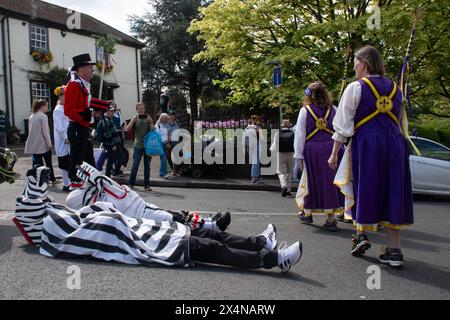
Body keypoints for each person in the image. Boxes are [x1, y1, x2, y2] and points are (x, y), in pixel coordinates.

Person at [13, 165, 303, 273]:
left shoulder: (77, 218)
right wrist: (37, 181)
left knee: (211, 238)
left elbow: (38, 205)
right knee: (216, 250)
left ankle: (260, 243)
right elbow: (28, 211)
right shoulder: (59, 232)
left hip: (153, 230)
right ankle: (274, 260)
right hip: (156, 247)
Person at [328, 45, 414, 268]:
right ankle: (394, 251)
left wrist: (334, 153)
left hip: (367, 144)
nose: (355, 67)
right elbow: (401, 120)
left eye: (356, 62)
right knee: (394, 190)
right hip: (395, 144)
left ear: (364, 64)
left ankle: (361, 235)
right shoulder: (397, 89)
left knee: (363, 187)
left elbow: (343, 126)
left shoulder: (356, 88)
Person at [294, 83, 344, 232]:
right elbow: (340, 130)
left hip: (313, 150)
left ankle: (307, 212)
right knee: (332, 183)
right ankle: (330, 219)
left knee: (311, 182)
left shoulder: (305, 111)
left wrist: (298, 156)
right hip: (332, 148)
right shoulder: (333, 109)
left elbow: (300, 135)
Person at [64, 53, 96, 188]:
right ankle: (76, 184)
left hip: (83, 127)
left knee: (89, 161)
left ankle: (92, 183)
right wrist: (87, 114)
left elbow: (85, 108)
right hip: (77, 126)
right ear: (80, 69)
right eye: (89, 67)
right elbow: (69, 110)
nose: (92, 69)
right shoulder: (74, 85)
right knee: (78, 160)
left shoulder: (83, 85)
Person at [24, 100, 58, 186]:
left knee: (37, 164)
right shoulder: (43, 116)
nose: (48, 108)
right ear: (42, 107)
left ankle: (40, 180)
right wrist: (49, 143)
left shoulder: (32, 116)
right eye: (46, 106)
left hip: (34, 144)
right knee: (48, 163)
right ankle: (52, 179)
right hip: (43, 144)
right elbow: (45, 131)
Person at [126, 103, 153, 191]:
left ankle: (147, 185)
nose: (141, 110)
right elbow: (127, 129)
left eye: (142, 108)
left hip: (147, 146)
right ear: (137, 110)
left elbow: (153, 131)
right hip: (138, 145)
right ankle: (131, 184)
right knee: (135, 165)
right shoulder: (135, 118)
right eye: (139, 109)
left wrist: (151, 122)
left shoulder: (148, 118)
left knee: (147, 166)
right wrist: (132, 121)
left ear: (144, 109)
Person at [52, 86, 71, 192]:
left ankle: (69, 182)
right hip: (63, 140)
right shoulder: (58, 109)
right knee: (64, 163)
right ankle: (66, 184)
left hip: (67, 139)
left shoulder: (64, 108)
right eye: (65, 96)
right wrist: (66, 138)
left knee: (68, 162)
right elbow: (59, 127)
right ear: (61, 96)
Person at [270, 118, 295, 197]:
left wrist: (273, 153)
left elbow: (274, 145)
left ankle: (283, 186)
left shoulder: (278, 133)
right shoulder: (293, 133)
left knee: (280, 171)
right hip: (291, 153)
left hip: (281, 153)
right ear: (289, 126)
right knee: (289, 172)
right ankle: (288, 190)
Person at [96, 104, 122, 177]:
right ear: (107, 111)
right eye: (111, 111)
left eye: (113, 112)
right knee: (111, 161)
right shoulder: (106, 120)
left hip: (110, 144)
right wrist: (113, 145)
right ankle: (107, 177)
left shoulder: (107, 119)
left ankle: (108, 176)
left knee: (112, 160)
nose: (113, 113)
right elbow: (108, 134)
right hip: (111, 145)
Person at [244, 115, 265, 184]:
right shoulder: (258, 128)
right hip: (257, 146)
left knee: (255, 162)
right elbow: (262, 139)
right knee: (255, 162)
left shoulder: (247, 128)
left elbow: (244, 139)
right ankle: (254, 178)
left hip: (249, 147)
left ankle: (257, 177)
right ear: (257, 121)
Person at [110, 101, 126, 176]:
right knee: (114, 153)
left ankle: (117, 168)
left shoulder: (119, 113)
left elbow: (122, 124)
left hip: (119, 133)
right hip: (112, 134)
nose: (114, 106)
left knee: (121, 152)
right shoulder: (109, 114)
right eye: (112, 105)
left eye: (114, 105)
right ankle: (113, 169)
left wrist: (122, 134)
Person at [156, 113, 170, 178]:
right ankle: (163, 173)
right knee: (163, 158)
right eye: (164, 118)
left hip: (165, 144)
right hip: (160, 144)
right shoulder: (158, 126)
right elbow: (157, 136)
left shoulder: (165, 126)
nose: (165, 119)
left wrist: (167, 140)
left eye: (166, 118)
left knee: (164, 159)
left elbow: (165, 135)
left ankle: (162, 173)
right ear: (161, 118)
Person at [167, 111, 181, 176]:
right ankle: (172, 169)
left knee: (175, 156)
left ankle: (175, 170)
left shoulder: (176, 124)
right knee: (169, 156)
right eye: (171, 116)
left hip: (176, 142)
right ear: (168, 116)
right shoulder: (166, 124)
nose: (172, 117)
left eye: (173, 116)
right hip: (169, 143)